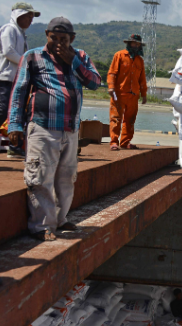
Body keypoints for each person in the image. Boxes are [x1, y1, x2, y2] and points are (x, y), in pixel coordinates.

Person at [7, 16, 101, 241]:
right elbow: (19, 92)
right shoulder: (33, 57)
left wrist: (74, 63)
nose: (58, 43)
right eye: (53, 38)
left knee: (66, 178)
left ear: (72, 39)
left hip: (70, 129)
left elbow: (95, 83)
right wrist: (14, 124)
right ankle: (41, 226)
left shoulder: (80, 57)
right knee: (41, 176)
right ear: (46, 35)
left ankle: (61, 219)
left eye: (64, 39)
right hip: (43, 127)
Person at [0, 2, 40, 159]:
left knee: (16, 114)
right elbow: (8, 52)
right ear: (19, 15)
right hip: (5, 78)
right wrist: (28, 63)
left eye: (32, 17)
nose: (31, 20)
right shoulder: (9, 29)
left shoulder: (21, 34)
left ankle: (14, 146)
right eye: (29, 16)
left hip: (16, 80)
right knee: (3, 110)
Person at [107, 34, 148, 150]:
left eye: (138, 44)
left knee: (130, 120)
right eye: (134, 43)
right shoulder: (119, 55)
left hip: (134, 95)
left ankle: (125, 142)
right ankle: (114, 142)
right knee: (115, 118)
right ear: (129, 44)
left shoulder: (140, 61)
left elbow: (142, 79)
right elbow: (112, 73)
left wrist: (144, 94)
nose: (136, 46)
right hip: (119, 94)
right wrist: (111, 87)